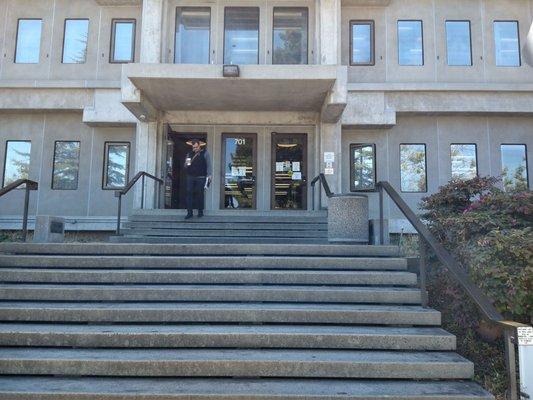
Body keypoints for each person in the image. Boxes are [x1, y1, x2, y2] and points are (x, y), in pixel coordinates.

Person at [184, 140, 212, 220]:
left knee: (200, 194)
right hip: (190, 176)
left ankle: (200, 212)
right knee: (189, 193)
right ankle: (189, 213)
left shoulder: (205, 153)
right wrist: (186, 162)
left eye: (196, 147)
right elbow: (186, 166)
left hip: (201, 177)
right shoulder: (189, 154)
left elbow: (209, 165)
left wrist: (209, 175)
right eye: (193, 147)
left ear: (200, 146)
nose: (195, 148)